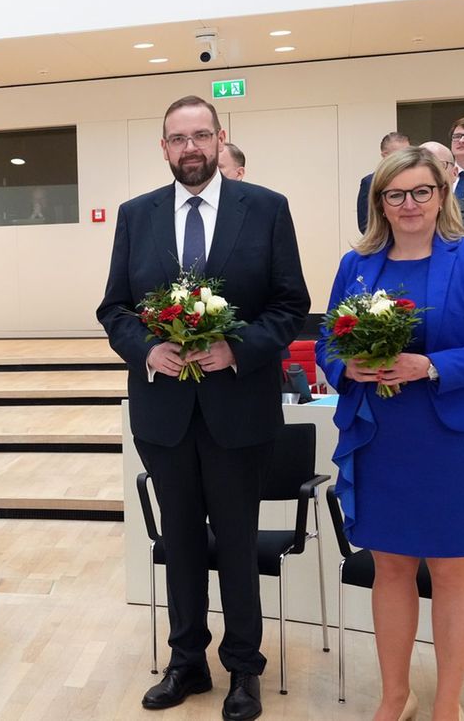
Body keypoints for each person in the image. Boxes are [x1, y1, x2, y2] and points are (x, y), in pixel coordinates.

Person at [96, 95, 309, 721]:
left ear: (219, 139)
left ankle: (245, 669)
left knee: (237, 542)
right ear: (163, 148)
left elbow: (290, 304)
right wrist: (147, 350)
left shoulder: (266, 209)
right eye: (176, 138)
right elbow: (114, 309)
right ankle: (186, 661)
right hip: (164, 412)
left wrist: (233, 349)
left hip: (238, 410)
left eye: (200, 136)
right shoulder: (137, 216)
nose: (189, 148)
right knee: (180, 541)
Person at [316, 146, 464, 721]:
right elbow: (330, 341)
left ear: (441, 195)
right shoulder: (357, 263)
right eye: (394, 194)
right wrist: (345, 367)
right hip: (380, 433)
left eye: (420, 192)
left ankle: (448, 704)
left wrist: (429, 366)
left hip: (454, 435)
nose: (408, 204)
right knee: (391, 565)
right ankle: (394, 696)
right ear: (379, 201)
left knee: (454, 567)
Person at [355, 132, 411, 233]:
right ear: (385, 155)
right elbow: (365, 224)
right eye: (399, 154)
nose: (405, 158)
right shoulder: (370, 182)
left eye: (408, 153)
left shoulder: (417, 180)